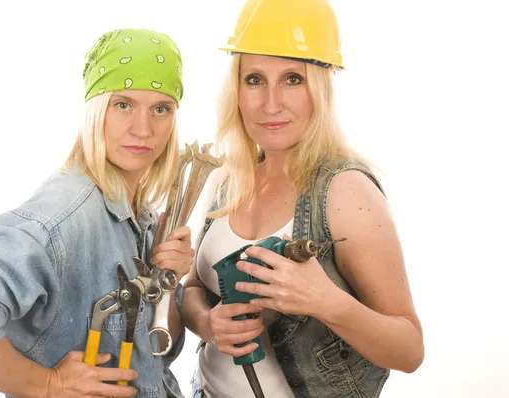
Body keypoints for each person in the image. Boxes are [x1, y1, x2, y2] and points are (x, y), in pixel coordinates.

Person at [0, 28, 193, 398]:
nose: (143, 129)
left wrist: (168, 280)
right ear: (95, 110)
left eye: (161, 109)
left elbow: (155, 353)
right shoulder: (65, 214)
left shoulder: (141, 218)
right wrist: (46, 384)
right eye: (122, 104)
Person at [180, 0, 425, 397]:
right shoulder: (228, 178)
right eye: (255, 79)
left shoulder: (346, 193)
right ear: (236, 89)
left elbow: (410, 350)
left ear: (320, 87)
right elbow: (193, 287)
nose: (270, 102)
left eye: (293, 79)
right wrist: (209, 323)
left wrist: (325, 301)